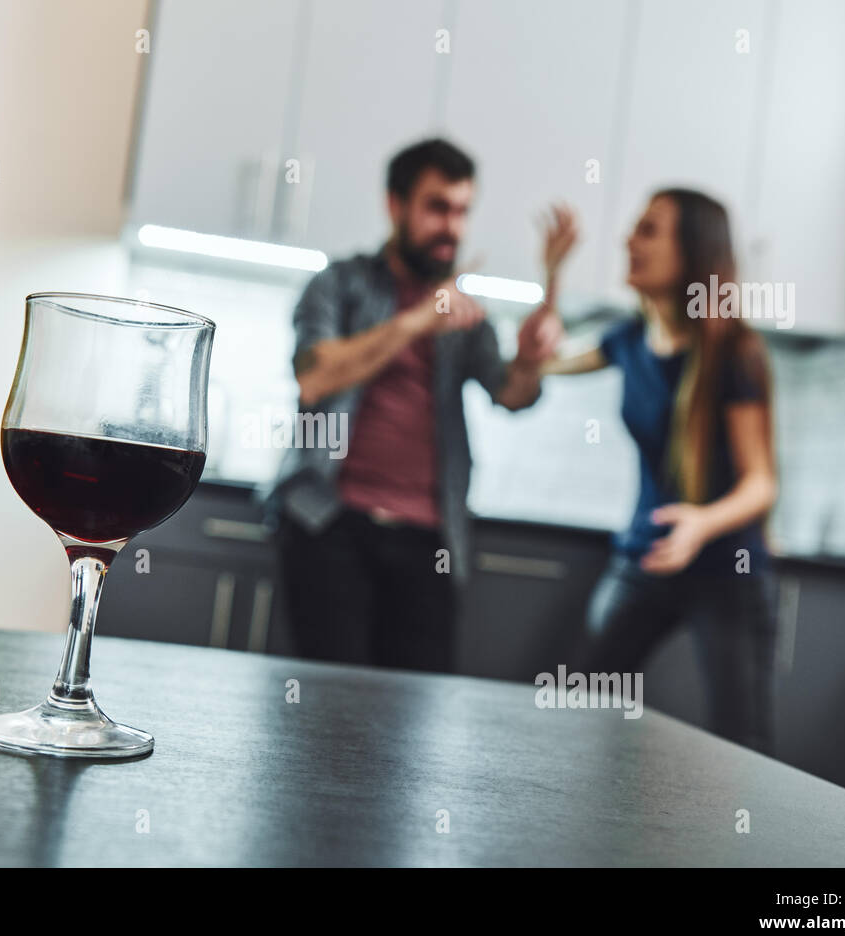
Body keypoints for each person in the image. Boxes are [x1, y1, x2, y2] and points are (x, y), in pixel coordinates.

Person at [266, 138, 562, 673]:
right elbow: (315, 377)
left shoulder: (467, 314)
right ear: (395, 205)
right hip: (328, 526)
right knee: (325, 709)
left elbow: (514, 396)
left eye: (462, 211)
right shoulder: (339, 284)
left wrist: (529, 360)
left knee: (415, 718)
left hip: (432, 539)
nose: (451, 226)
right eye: (436, 207)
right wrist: (418, 320)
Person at [537, 189, 780, 755]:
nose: (628, 240)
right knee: (581, 706)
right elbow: (535, 365)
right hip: (644, 560)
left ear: (692, 251)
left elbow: (760, 483)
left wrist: (699, 523)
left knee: (741, 746)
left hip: (726, 570)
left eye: (648, 230)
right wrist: (551, 277)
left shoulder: (735, 353)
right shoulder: (626, 340)